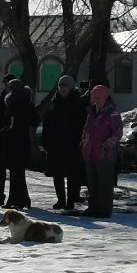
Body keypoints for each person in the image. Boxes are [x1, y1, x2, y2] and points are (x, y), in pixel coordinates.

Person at [41, 74, 88, 211]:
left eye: (65, 85)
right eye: (60, 85)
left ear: (71, 86)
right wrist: (46, 141)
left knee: (73, 175)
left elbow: (82, 124)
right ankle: (61, 200)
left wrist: (78, 140)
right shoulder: (54, 102)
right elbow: (47, 123)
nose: (62, 88)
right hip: (55, 144)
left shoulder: (77, 102)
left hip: (72, 145)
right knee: (57, 174)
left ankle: (71, 201)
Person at [79, 82, 123, 218]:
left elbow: (117, 133)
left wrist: (106, 146)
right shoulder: (91, 113)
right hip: (90, 153)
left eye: (98, 97)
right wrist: (84, 144)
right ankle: (93, 208)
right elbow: (86, 131)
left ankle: (104, 210)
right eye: (94, 97)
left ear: (105, 98)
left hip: (105, 155)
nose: (95, 100)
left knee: (104, 184)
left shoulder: (113, 114)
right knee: (92, 184)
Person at [0, 76, 36, 208]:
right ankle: (21, 199)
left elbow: (9, 123)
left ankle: (16, 200)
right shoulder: (26, 103)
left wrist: (7, 129)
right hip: (20, 142)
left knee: (15, 172)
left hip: (13, 142)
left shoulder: (14, 103)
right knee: (17, 173)